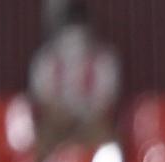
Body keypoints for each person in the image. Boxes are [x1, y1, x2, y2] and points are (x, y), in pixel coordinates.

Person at [28, 2, 120, 151]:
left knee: (108, 142)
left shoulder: (104, 59)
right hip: (57, 125)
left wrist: (85, 121)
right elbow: (44, 102)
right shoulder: (45, 59)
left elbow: (106, 102)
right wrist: (63, 119)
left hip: (92, 125)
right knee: (39, 144)